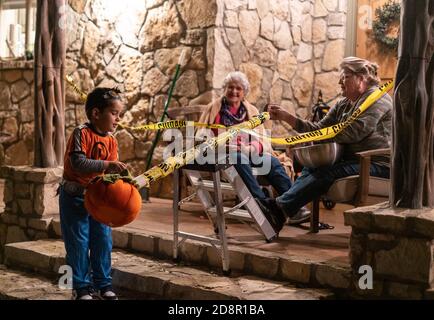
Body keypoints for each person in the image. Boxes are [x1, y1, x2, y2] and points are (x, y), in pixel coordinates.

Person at [268, 56, 392, 219]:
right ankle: (285, 210)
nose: (340, 82)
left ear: (361, 79)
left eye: (345, 77)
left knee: (326, 172)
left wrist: (319, 138)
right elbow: (320, 128)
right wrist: (287, 117)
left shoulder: (378, 99)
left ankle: (278, 208)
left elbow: (353, 132)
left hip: (376, 164)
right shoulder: (343, 104)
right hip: (353, 161)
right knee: (311, 167)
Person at [196, 71, 310, 233]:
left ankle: (296, 206)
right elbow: (202, 136)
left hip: (248, 152)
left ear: (244, 92)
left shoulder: (252, 111)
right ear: (225, 89)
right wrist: (223, 146)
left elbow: (262, 139)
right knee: (238, 157)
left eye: (238, 88)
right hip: (223, 154)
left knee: (272, 162)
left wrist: (251, 148)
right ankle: (263, 204)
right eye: (230, 87)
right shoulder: (214, 108)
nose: (234, 91)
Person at [59, 87, 127, 300]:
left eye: (119, 114)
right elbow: (77, 163)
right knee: (78, 243)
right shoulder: (81, 133)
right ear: (96, 114)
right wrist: (107, 165)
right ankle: (80, 288)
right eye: (114, 113)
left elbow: (109, 173)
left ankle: (103, 284)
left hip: (99, 200)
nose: (118, 119)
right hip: (75, 197)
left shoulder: (112, 141)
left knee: (103, 241)